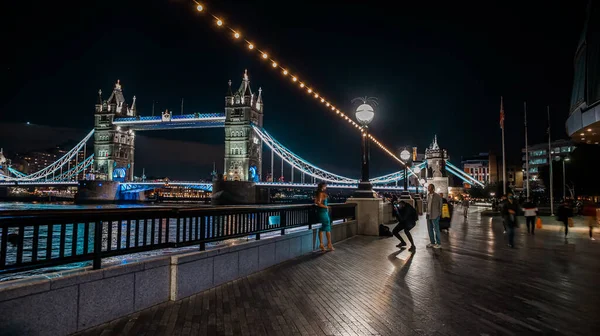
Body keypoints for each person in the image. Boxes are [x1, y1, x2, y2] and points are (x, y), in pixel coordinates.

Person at [314, 182, 333, 251]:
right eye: (325, 186)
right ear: (323, 186)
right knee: (328, 228)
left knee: (322, 228)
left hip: (321, 212)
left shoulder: (318, 193)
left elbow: (315, 202)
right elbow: (318, 203)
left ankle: (322, 244)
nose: (326, 188)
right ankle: (329, 244)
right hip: (323, 213)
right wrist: (326, 207)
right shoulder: (321, 194)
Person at [426, 184, 443, 249]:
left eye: (429, 187)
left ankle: (439, 243)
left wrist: (439, 214)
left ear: (432, 188)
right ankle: (432, 242)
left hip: (435, 215)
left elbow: (440, 205)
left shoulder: (437, 196)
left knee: (436, 229)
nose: (428, 188)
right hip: (428, 214)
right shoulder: (427, 195)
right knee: (430, 229)